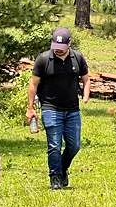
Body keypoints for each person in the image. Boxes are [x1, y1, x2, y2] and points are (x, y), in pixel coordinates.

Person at [26, 27, 90, 190]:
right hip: (50, 108)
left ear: (69, 45)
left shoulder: (78, 58)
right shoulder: (44, 59)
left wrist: (86, 94)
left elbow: (86, 78)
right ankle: (55, 177)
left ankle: (62, 169)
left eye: (62, 49)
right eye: (56, 48)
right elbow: (33, 84)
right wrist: (30, 108)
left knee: (74, 145)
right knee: (54, 145)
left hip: (72, 110)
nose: (58, 52)